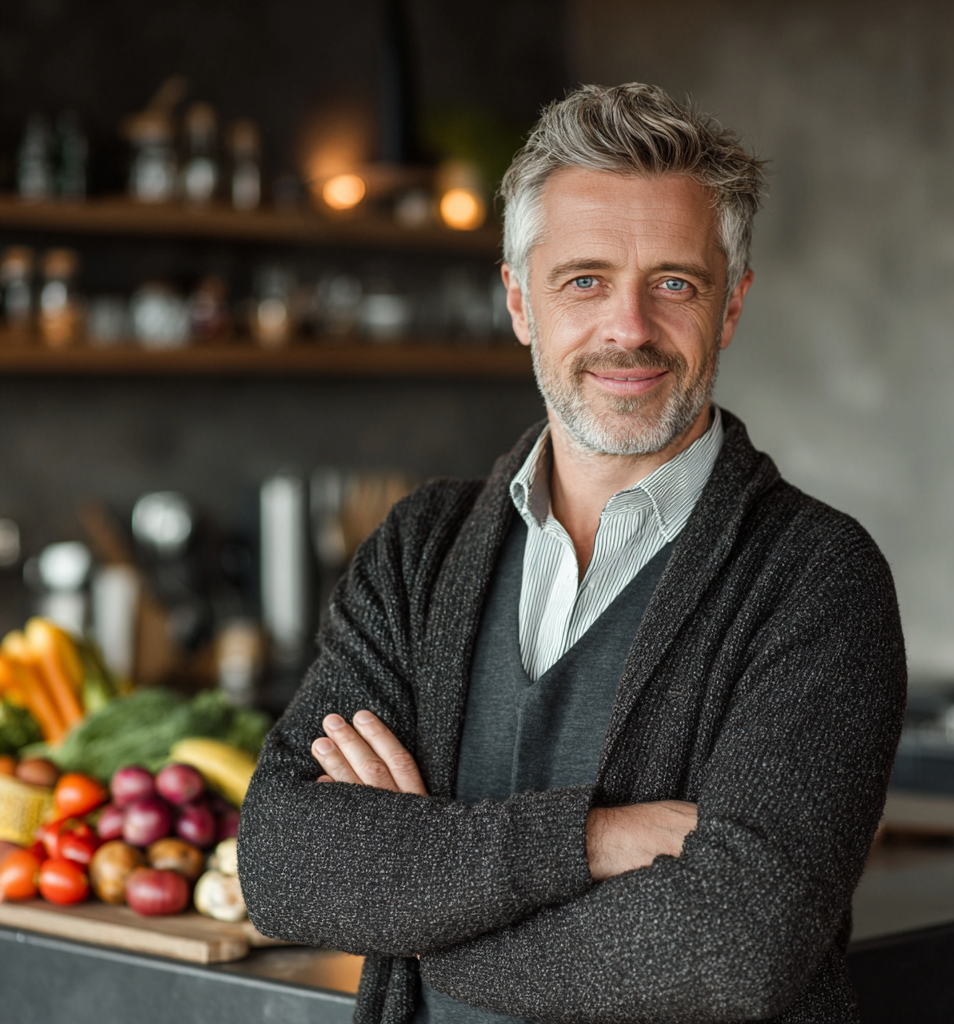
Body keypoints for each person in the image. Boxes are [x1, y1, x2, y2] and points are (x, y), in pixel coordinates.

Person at [238, 83, 906, 1024]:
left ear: (732, 306)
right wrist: (589, 842)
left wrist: (425, 920)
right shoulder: (418, 549)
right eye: (584, 279)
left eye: (674, 282)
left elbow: (733, 949)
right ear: (519, 301)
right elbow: (284, 863)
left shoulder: (817, 578)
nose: (628, 328)